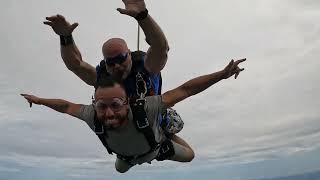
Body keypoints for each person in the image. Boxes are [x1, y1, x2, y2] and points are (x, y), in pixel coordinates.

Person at [21, 58, 246, 173]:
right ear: (94, 105)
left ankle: (165, 131)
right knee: (119, 170)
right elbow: (65, 106)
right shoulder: (93, 115)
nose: (108, 113)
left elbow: (185, 90)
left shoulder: (145, 107)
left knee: (190, 156)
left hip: (156, 148)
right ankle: (159, 134)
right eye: (101, 106)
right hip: (126, 157)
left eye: (116, 104)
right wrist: (40, 101)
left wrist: (221, 75)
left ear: (127, 102)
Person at [44, 0, 183, 142]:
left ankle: (165, 141)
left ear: (129, 54)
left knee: (184, 143)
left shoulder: (145, 67)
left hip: (154, 123)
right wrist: (65, 37)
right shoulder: (103, 76)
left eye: (121, 59)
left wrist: (142, 16)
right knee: (121, 164)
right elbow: (76, 65)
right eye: (110, 62)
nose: (116, 66)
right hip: (125, 129)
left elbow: (161, 47)